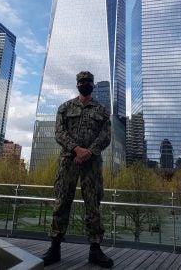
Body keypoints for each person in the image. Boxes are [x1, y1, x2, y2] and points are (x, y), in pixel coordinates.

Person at [42, 71, 113, 268]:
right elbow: (59, 132)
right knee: (62, 201)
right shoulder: (64, 108)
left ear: (93, 84)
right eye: (81, 82)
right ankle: (54, 248)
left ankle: (95, 250)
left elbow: (105, 136)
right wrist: (76, 149)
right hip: (68, 161)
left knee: (93, 204)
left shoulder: (102, 110)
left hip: (92, 163)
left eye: (88, 82)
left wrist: (89, 152)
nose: (85, 84)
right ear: (77, 84)